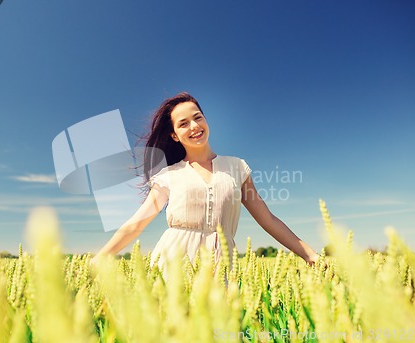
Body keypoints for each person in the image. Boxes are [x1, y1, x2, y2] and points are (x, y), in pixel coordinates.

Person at [91, 92, 319, 269]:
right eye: (183, 124)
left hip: (222, 266)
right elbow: (136, 223)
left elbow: (267, 219)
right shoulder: (169, 176)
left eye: (197, 117)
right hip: (173, 265)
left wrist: (310, 255)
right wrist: (100, 258)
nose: (194, 126)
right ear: (174, 135)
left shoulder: (237, 167)